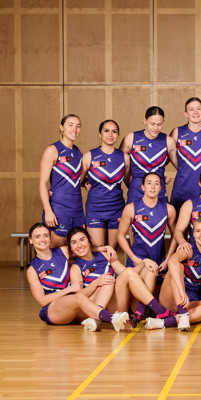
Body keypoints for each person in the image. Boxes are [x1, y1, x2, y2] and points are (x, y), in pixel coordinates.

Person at [69, 227, 189, 331]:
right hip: (98, 307)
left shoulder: (105, 255)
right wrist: (96, 284)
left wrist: (144, 263)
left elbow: (127, 273)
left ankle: (139, 313)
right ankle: (160, 310)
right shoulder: (76, 268)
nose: (79, 245)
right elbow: (78, 299)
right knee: (127, 273)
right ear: (71, 249)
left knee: (149, 269)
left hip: (117, 302)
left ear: (89, 242)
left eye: (82, 239)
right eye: (74, 242)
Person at [26, 223, 129, 332]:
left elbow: (82, 248)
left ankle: (95, 319)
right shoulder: (32, 270)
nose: (42, 239)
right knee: (79, 297)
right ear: (30, 240)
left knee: (104, 281)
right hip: (53, 309)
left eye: (45, 235)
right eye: (37, 237)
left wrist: (106, 247)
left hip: (73, 305)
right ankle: (112, 318)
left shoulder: (63, 251)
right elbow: (42, 300)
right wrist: (69, 290)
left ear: (50, 238)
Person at [117, 172, 177, 324]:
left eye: (157, 183)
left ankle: (139, 313)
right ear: (142, 187)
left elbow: (177, 236)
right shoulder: (131, 208)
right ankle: (149, 311)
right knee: (149, 268)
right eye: (149, 183)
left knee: (151, 269)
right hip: (137, 264)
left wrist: (168, 259)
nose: (153, 186)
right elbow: (120, 236)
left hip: (158, 264)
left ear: (161, 188)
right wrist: (135, 259)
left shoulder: (169, 209)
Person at [155, 217, 201, 328]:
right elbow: (172, 261)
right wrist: (181, 289)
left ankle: (167, 321)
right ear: (193, 234)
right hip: (173, 298)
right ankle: (182, 313)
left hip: (190, 302)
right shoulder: (188, 249)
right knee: (177, 266)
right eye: (198, 231)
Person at [81, 120, 129, 249]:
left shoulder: (124, 157)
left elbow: (129, 180)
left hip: (117, 209)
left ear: (118, 135)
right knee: (99, 251)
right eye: (106, 130)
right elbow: (78, 180)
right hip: (95, 209)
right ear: (100, 134)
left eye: (114, 131)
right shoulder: (89, 156)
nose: (110, 134)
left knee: (112, 252)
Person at [39, 114, 84, 247]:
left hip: (77, 209)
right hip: (59, 209)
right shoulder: (52, 150)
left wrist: (85, 182)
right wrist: (48, 211)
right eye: (70, 125)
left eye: (78, 126)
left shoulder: (78, 152)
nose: (74, 129)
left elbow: (73, 179)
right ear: (61, 128)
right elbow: (42, 183)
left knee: (76, 252)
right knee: (58, 253)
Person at [119, 106, 177, 204]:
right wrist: (128, 180)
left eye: (159, 124)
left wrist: (161, 176)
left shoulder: (169, 141)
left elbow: (182, 167)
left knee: (161, 218)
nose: (156, 128)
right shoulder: (131, 138)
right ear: (145, 120)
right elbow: (119, 164)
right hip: (136, 189)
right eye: (152, 124)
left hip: (159, 190)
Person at [170, 97, 201, 211]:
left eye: (199, 109)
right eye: (191, 109)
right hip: (182, 189)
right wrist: (181, 168)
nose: (195, 112)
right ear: (186, 113)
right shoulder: (177, 132)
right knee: (178, 226)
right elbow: (165, 155)